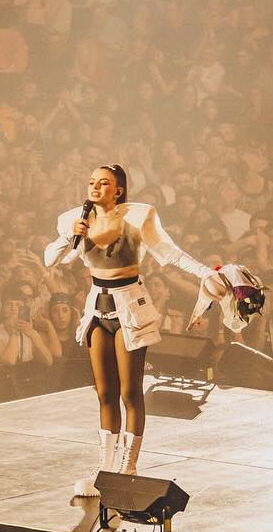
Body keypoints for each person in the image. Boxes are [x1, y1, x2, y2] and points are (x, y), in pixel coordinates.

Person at [44, 162, 232, 496]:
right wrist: (69, 236)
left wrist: (205, 273)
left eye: (103, 183)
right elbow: (51, 260)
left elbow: (170, 253)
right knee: (104, 393)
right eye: (91, 182)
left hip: (130, 304)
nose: (95, 188)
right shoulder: (75, 219)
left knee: (131, 392)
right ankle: (105, 466)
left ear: (118, 189)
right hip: (97, 305)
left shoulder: (138, 216)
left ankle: (128, 465)